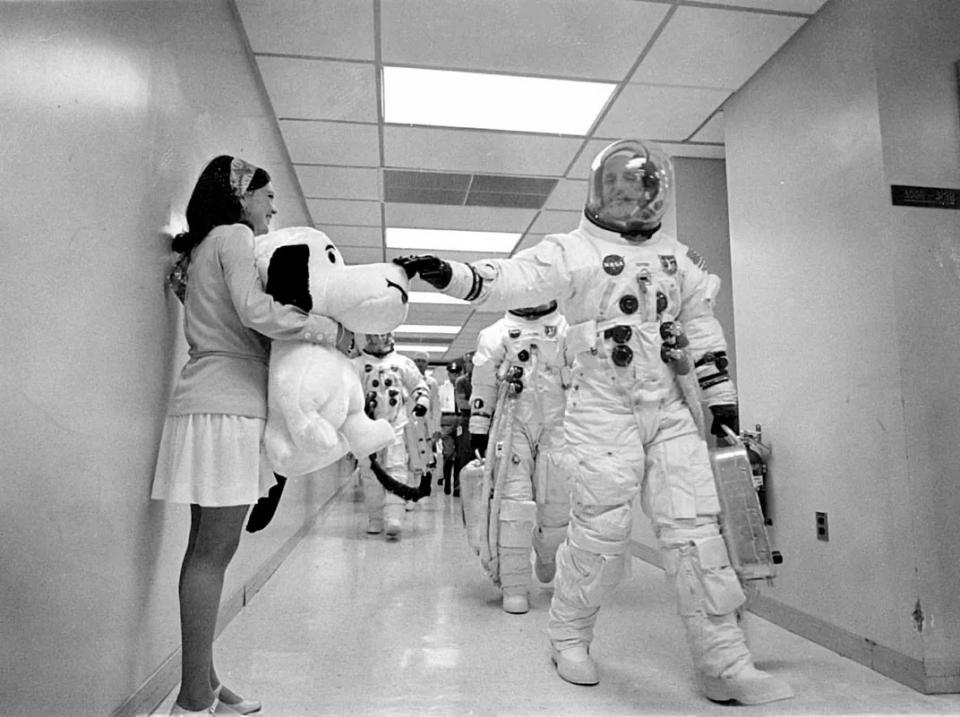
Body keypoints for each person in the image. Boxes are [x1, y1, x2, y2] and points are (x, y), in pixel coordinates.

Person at [394, 139, 793, 705]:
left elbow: (701, 328)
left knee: (695, 531)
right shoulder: (574, 252)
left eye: (642, 191)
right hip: (601, 410)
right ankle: (568, 637)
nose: (633, 202)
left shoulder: (678, 258)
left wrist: (720, 396)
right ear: (601, 193)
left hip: (669, 410)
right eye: (622, 191)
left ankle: (725, 663)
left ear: (657, 195)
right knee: (601, 532)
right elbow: (511, 278)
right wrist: (450, 274)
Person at [153, 155, 345, 714]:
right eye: (267, 197)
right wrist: (322, 329)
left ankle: (205, 680)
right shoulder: (233, 236)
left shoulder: (200, 247)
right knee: (212, 555)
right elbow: (254, 309)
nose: (273, 209)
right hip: (229, 408)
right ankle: (192, 697)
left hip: (204, 402)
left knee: (204, 552)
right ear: (241, 197)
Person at [468, 302, 571, 614]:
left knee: (557, 503)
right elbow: (483, 381)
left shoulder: (567, 330)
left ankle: (547, 550)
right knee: (513, 504)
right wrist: (479, 424)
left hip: (559, 425)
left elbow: (587, 377)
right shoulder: (495, 334)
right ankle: (514, 586)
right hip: (512, 424)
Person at [354, 332, 429, 540]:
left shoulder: (402, 362)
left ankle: (394, 516)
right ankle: (375, 518)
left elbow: (419, 385)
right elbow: (347, 392)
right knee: (369, 472)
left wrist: (422, 402)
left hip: (397, 424)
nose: (379, 339)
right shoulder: (357, 365)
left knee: (397, 467)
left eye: (383, 334)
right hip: (366, 425)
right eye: (374, 335)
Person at [409, 350, 441, 502]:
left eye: (422, 361)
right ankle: (409, 490)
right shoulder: (407, 380)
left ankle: (423, 487)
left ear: (427, 364)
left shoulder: (432, 382)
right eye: (417, 361)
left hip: (426, 426)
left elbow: (436, 407)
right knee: (410, 457)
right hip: (410, 426)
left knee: (427, 457)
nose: (419, 364)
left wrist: (436, 430)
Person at [452, 352, 475, 497]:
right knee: (463, 454)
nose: (472, 365)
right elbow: (462, 404)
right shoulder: (461, 382)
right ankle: (459, 485)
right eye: (469, 362)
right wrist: (480, 405)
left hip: (485, 420)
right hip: (466, 420)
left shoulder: (486, 380)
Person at [437, 360, 462, 494]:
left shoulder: (463, 386)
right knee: (448, 454)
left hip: (460, 419)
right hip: (446, 419)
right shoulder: (442, 389)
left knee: (460, 455)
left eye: (457, 373)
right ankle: (447, 480)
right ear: (448, 374)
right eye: (452, 373)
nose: (455, 375)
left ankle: (457, 485)